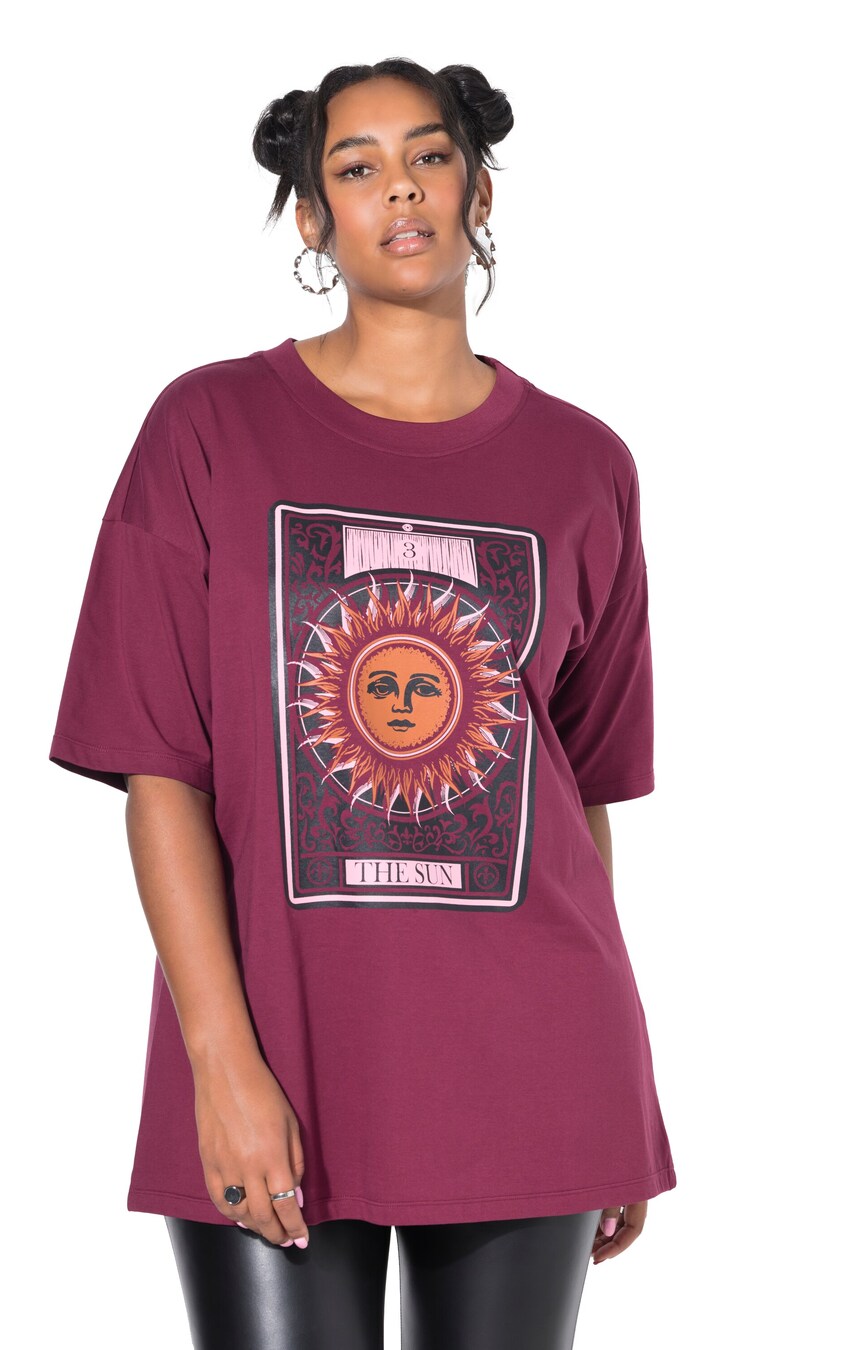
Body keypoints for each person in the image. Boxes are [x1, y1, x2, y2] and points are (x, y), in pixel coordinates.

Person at [48, 56, 677, 1350]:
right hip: (280, 1052)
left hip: (535, 1060)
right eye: (356, 165)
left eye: (430, 156)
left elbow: (578, 797)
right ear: (310, 216)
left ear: (479, 192)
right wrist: (220, 1063)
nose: (400, 188)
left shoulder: (585, 465)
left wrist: (614, 1095)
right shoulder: (207, 428)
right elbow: (161, 771)